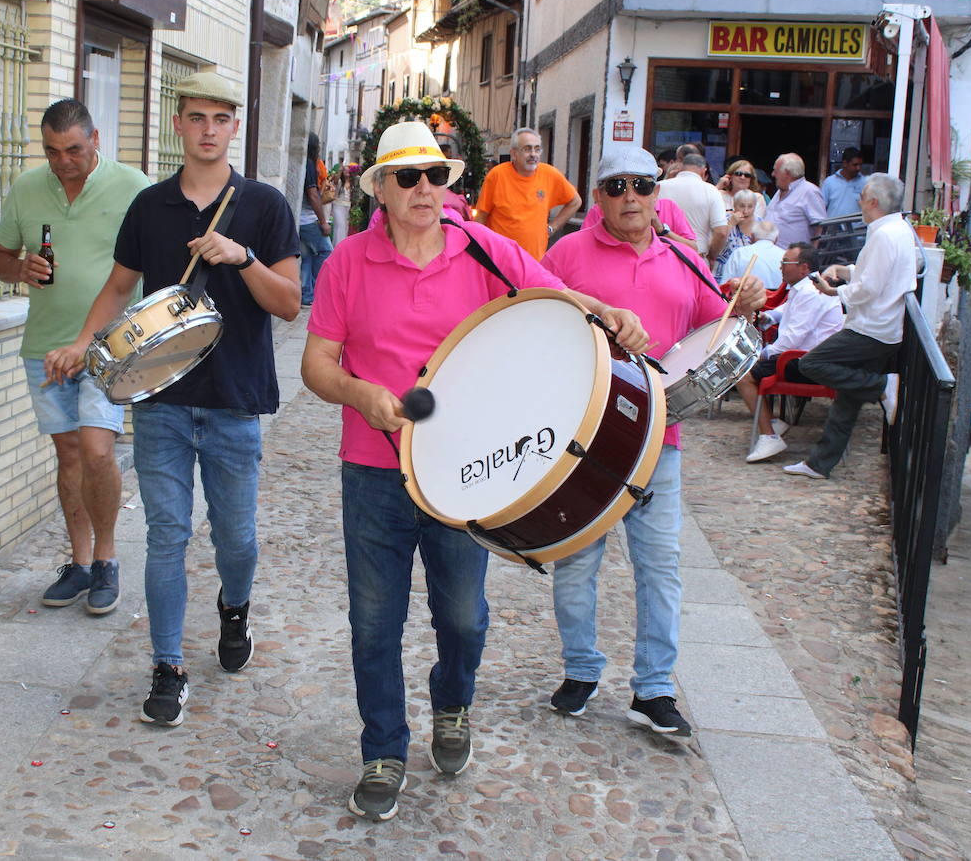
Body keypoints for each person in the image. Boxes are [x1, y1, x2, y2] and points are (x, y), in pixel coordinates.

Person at [301, 122, 647, 822]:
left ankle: (453, 703)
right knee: (374, 622)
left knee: (462, 616)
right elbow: (316, 364)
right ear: (381, 190)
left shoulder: (483, 248)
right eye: (408, 177)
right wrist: (362, 394)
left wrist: (610, 312)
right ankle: (384, 750)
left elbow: (556, 299)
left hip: (465, 469)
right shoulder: (347, 263)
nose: (425, 188)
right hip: (373, 468)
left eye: (435, 174)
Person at [43, 71, 301, 725]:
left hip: (236, 401)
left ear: (234, 126)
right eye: (197, 117)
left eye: (221, 117)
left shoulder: (265, 207)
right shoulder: (150, 207)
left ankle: (233, 608)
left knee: (237, 540)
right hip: (160, 398)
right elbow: (118, 286)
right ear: (179, 123)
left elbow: (290, 305)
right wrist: (82, 341)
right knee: (166, 535)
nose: (209, 129)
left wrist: (242, 257)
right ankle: (167, 666)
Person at [541, 145, 766, 739]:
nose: (631, 198)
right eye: (616, 187)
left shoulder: (683, 258)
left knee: (660, 565)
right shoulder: (566, 254)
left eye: (641, 185)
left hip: (660, 437)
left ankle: (655, 688)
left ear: (657, 191)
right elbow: (531, 310)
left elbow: (713, 329)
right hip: (583, 434)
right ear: (598, 198)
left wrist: (743, 305)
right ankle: (581, 670)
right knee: (575, 559)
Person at [0, 99, 150, 616]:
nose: (63, 161)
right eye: (52, 151)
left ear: (95, 139)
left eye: (74, 149)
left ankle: (106, 561)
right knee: (70, 456)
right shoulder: (26, 188)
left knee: (99, 451)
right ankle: (79, 564)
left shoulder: (133, 187)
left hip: (111, 346)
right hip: (46, 347)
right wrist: (21, 269)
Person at [783, 173, 917, 480]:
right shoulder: (894, 229)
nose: (858, 202)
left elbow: (870, 286)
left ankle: (883, 385)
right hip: (879, 326)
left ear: (873, 202)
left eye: (862, 197)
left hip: (871, 328)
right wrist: (845, 271)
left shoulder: (885, 234)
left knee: (811, 363)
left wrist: (834, 291)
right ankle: (819, 463)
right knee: (847, 400)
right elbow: (874, 275)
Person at [741, 242, 846, 463]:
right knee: (754, 366)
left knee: (744, 375)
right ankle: (772, 422)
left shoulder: (810, 291)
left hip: (807, 360)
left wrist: (763, 353)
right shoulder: (806, 286)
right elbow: (787, 310)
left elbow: (793, 338)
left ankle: (768, 435)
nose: (781, 267)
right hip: (805, 356)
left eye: (785, 263)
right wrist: (770, 317)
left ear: (804, 268)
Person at [473, 127, 581, 260]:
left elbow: (575, 201)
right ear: (513, 153)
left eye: (537, 149)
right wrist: (479, 253)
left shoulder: (549, 174)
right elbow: (481, 217)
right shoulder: (497, 176)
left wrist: (552, 228)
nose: (533, 154)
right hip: (500, 261)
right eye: (527, 149)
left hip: (534, 263)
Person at [657, 152, 730, 266]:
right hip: (696, 259)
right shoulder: (710, 190)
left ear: (681, 167)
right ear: (704, 170)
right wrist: (711, 256)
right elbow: (721, 232)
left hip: (661, 258)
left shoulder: (659, 187)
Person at [299, 133, 334, 305]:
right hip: (308, 219)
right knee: (326, 252)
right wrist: (323, 222)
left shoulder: (305, 163)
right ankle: (319, 291)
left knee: (306, 257)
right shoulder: (309, 165)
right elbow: (312, 195)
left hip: (300, 220)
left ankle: (306, 295)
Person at [765, 153, 827, 248]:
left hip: (793, 259)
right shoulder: (781, 190)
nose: (773, 174)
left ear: (787, 173)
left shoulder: (809, 191)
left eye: (776, 171)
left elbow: (821, 227)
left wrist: (811, 256)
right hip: (771, 254)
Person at [718, 219, 784, 288]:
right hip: (778, 297)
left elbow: (725, 286)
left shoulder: (739, 253)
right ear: (776, 239)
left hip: (744, 297)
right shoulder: (784, 256)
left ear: (752, 236)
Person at [715, 187, 760, 277]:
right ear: (734, 206)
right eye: (742, 206)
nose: (746, 211)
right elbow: (715, 248)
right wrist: (731, 225)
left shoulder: (760, 225)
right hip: (722, 274)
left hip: (749, 275)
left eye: (750, 206)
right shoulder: (723, 220)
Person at [821, 146, 867, 219]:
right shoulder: (829, 182)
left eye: (860, 165)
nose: (858, 168)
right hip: (832, 227)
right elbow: (821, 207)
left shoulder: (865, 183)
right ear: (845, 163)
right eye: (855, 165)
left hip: (857, 229)